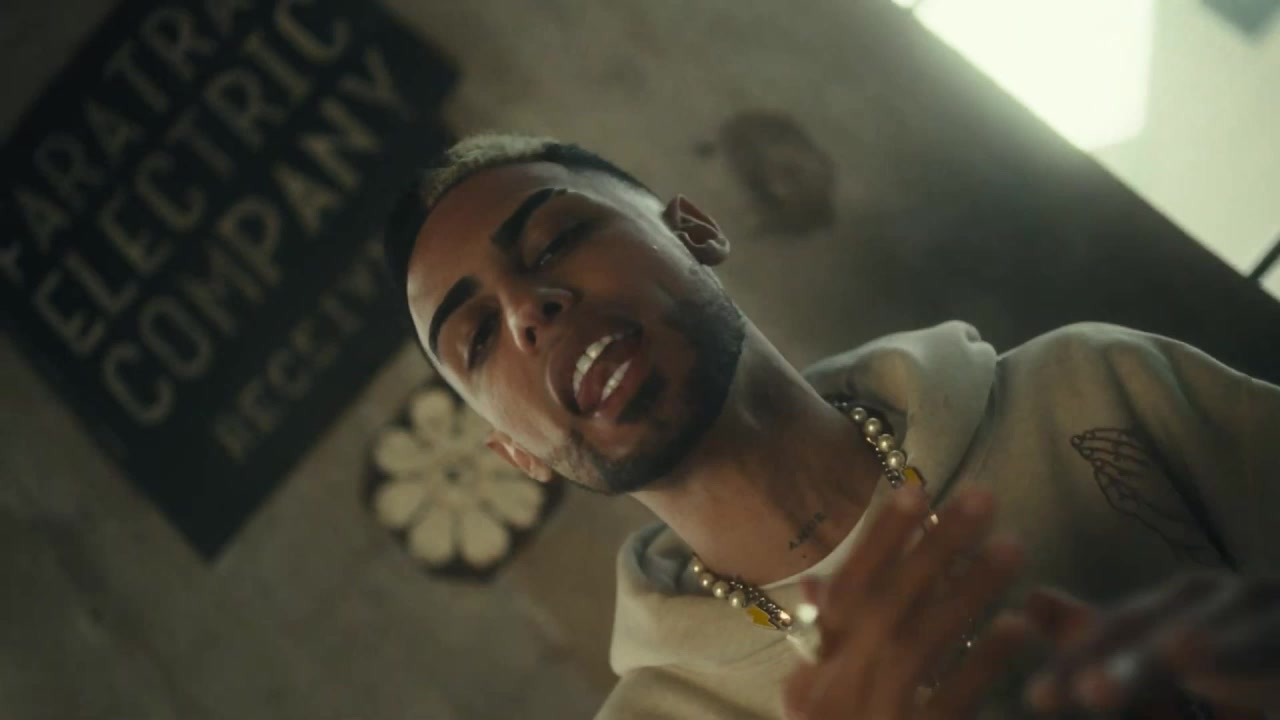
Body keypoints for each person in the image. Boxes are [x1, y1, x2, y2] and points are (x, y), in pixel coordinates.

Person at [382, 133, 1280, 719]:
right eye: (478, 337)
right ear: (517, 453)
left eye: (552, 242)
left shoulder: (1094, 387)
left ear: (694, 229)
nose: (527, 311)